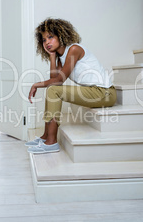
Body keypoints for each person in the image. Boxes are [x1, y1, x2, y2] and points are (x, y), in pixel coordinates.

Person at [26, 18, 116, 154]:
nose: (47, 42)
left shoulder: (74, 49)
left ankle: (51, 142)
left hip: (104, 93)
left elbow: (57, 81)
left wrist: (36, 85)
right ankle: (45, 137)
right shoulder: (62, 56)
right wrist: (52, 56)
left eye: (50, 37)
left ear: (61, 35)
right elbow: (54, 79)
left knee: (53, 90)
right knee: (52, 90)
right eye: (44, 39)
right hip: (93, 91)